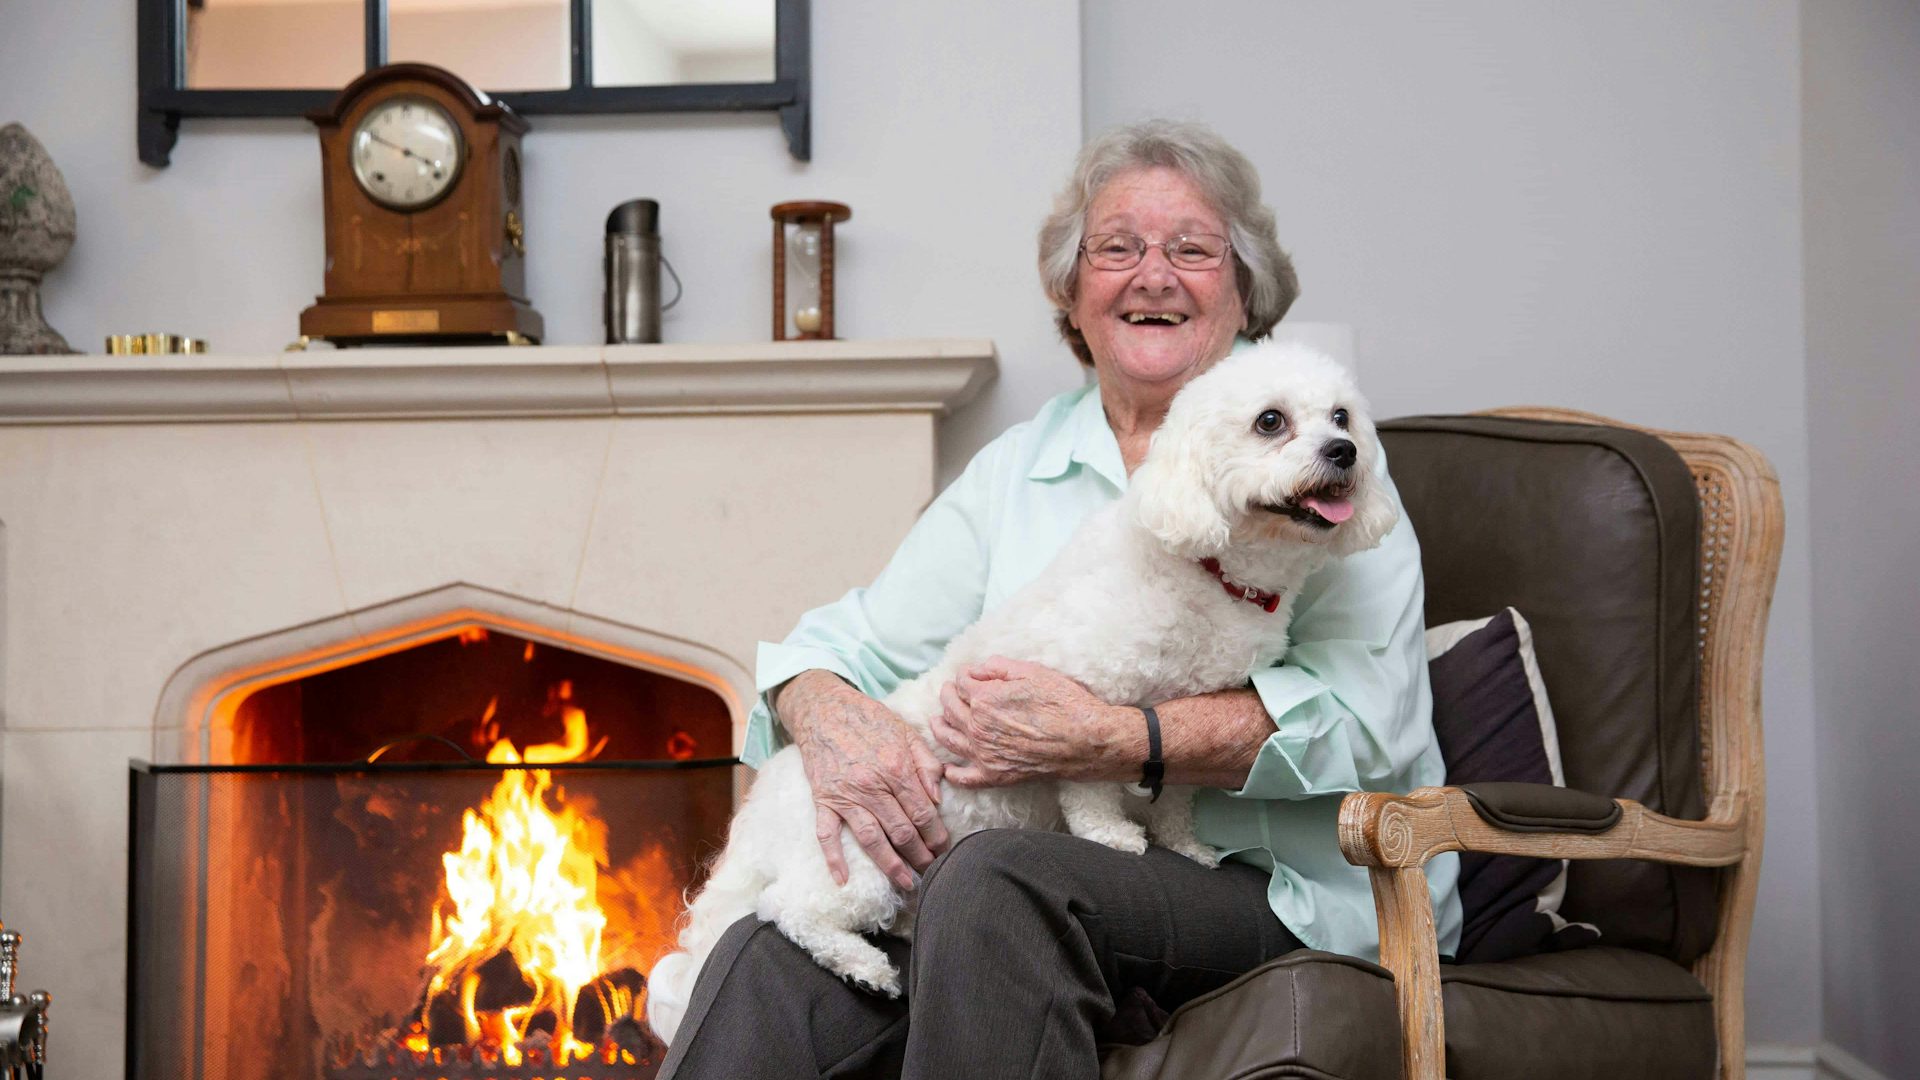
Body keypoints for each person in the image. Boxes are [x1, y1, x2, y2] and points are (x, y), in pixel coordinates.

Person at [656, 120, 1462, 1080]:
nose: (1152, 275)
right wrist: (830, 717)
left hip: (1284, 888)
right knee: (763, 949)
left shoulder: (1325, 472)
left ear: (1246, 293)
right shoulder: (1021, 469)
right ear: (1072, 296)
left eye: (1193, 250)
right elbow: (850, 644)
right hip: (1043, 878)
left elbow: (1373, 720)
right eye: (1116, 249)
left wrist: (1124, 738)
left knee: (995, 881)